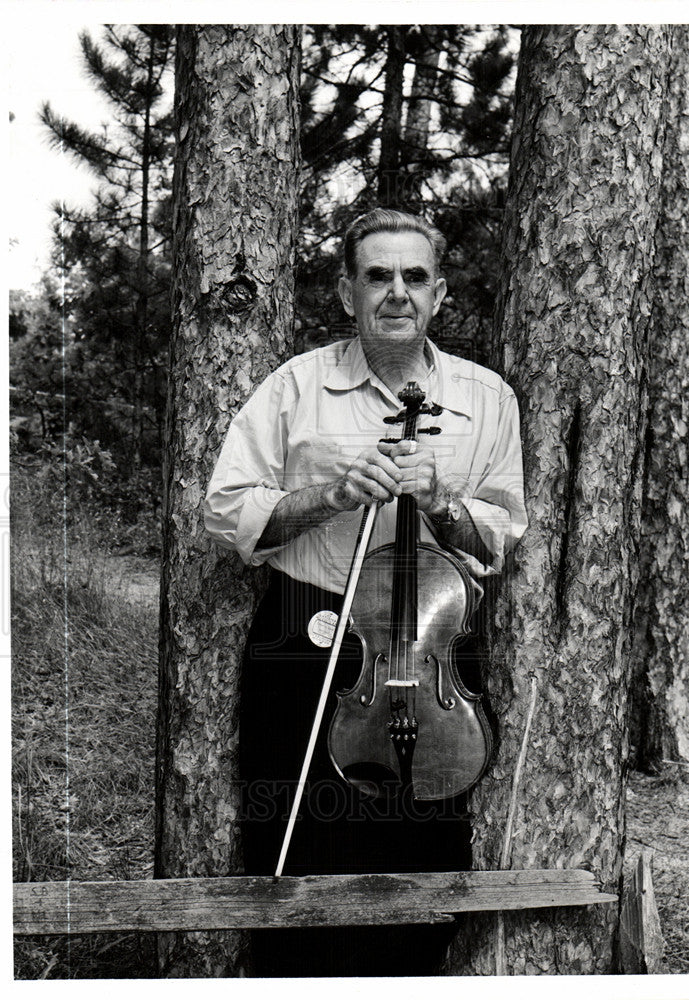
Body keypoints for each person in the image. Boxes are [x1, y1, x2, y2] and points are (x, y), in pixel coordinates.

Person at [204, 208, 527, 976]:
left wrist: (445, 500)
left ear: (439, 294)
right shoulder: (296, 387)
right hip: (309, 629)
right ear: (349, 291)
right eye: (377, 275)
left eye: (413, 277)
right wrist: (330, 493)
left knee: (422, 844)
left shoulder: (487, 400)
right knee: (296, 834)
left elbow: (496, 544)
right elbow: (225, 510)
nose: (396, 293)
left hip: (432, 640)